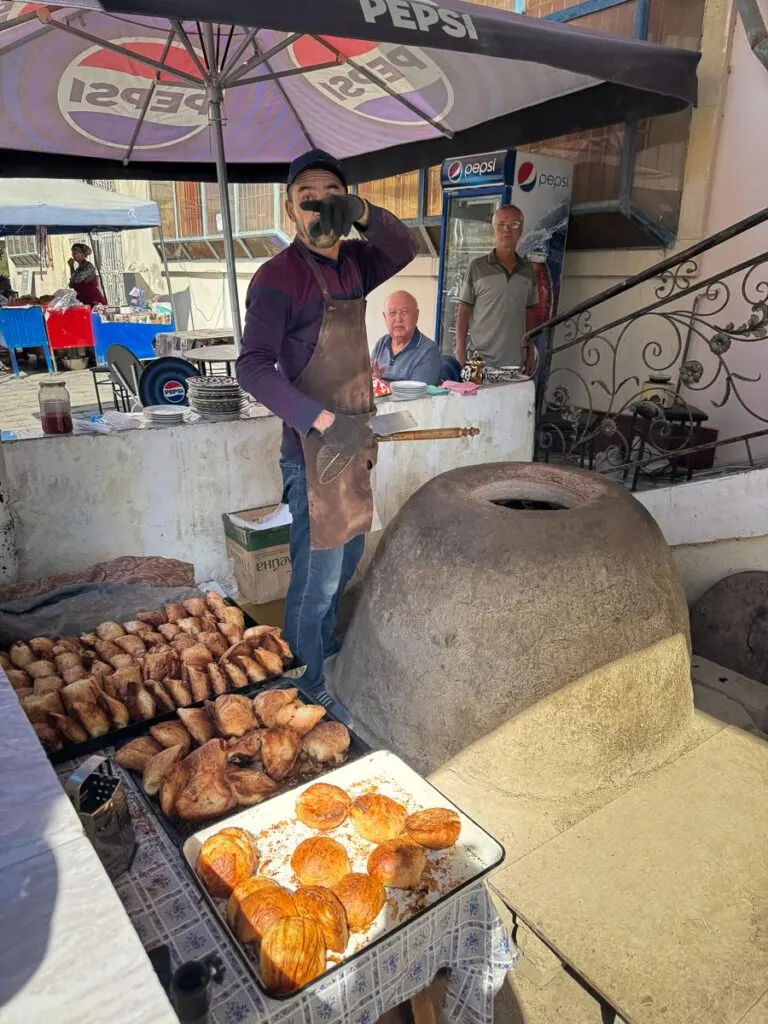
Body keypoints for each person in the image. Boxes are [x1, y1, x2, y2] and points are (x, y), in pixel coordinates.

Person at [236, 149, 416, 707]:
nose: (319, 208)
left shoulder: (359, 262)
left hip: (355, 447)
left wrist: (362, 209)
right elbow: (252, 366)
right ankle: (303, 685)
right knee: (314, 587)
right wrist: (319, 419)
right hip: (312, 456)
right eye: (307, 198)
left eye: (330, 196)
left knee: (347, 564)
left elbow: (404, 246)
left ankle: (321, 653)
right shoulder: (276, 278)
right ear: (291, 209)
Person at [455, 205, 538, 373]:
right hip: (479, 361)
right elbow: (463, 311)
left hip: (515, 361)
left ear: (521, 229)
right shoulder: (477, 267)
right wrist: (460, 349)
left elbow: (529, 314)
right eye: (501, 224)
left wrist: (530, 352)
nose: (506, 230)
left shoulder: (528, 271)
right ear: (494, 229)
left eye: (513, 224)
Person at [371, 290, 441, 386]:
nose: (398, 319)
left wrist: (382, 385)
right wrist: (373, 379)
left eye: (404, 312)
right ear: (385, 317)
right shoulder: (382, 343)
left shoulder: (428, 351)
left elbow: (418, 394)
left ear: (416, 316)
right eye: (392, 313)